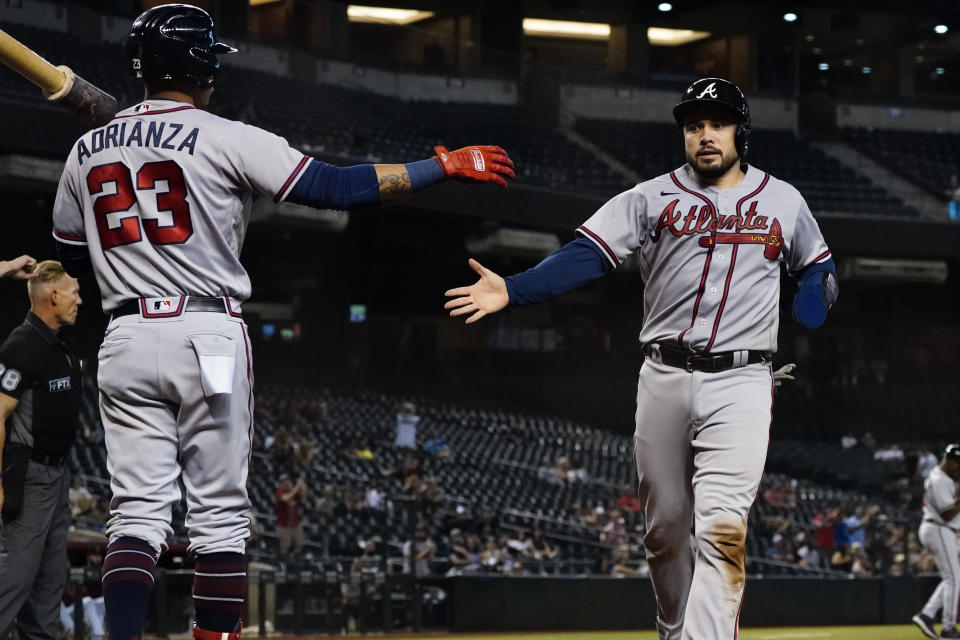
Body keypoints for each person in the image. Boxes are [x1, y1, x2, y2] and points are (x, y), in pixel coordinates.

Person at [48, 6, 513, 640]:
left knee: (135, 518)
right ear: (202, 65)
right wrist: (443, 166)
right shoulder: (230, 136)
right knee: (217, 518)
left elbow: (73, 256)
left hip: (124, 334)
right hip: (205, 331)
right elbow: (337, 188)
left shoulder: (85, 149)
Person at [444, 77, 838, 639]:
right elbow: (587, 253)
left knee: (723, 526)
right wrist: (516, 289)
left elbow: (820, 266)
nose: (705, 135)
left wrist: (814, 289)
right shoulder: (650, 196)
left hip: (743, 379)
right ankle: (672, 628)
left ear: (740, 132)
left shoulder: (785, 200)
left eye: (718, 123)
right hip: (664, 375)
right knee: (665, 529)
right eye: (695, 125)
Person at [0, 260, 83, 638]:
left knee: (48, 591)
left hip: (58, 477)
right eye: (74, 293)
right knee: (12, 581)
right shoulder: (23, 343)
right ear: (52, 295)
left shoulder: (59, 345)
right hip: (29, 479)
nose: (79, 300)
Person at [912, 444, 960, 640]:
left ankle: (927, 614)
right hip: (939, 528)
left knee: (954, 577)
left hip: (938, 529)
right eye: (958, 463)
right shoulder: (939, 479)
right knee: (954, 579)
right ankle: (948, 628)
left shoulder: (941, 477)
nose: (959, 467)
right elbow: (947, 514)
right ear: (949, 460)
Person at [275, 474, 306, 555]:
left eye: (287, 481)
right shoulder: (279, 492)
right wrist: (297, 487)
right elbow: (285, 498)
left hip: (295, 524)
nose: (286, 484)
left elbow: (304, 495)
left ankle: (296, 561)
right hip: (284, 525)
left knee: (299, 544)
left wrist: (302, 485)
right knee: (285, 547)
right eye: (283, 482)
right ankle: (283, 563)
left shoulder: (293, 492)